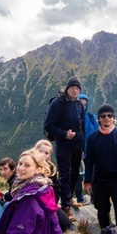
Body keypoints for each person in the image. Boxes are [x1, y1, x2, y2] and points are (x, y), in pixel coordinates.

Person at [84, 104, 117, 234]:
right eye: (103, 116)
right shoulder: (93, 138)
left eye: (110, 116)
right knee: (102, 212)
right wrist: (87, 182)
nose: (107, 118)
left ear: (113, 118)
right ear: (99, 119)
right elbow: (88, 161)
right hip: (99, 181)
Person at [43, 76, 85, 221]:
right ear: (67, 88)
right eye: (73, 87)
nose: (75, 90)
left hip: (77, 145)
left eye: (77, 88)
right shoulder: (58, 103)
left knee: (75, 174)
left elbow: (82, 126)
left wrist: (82, 144)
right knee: (65, 174)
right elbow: (48, 125)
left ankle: (69, 197)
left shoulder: (79, 105)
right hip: (63, 145)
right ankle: (65, 206)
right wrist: (64, 134)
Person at [34, 139, 73, 231]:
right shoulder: (29, 165)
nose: (43, 155)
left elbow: (56, 189)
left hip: (48, 203)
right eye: (40, 151)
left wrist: (52, 203)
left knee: (65, 223)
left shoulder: (52, 169)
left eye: (46, 153)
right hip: (33, 204)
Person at [73, 93, 99, 208]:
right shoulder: (74, 117)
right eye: (80, 104)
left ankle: (94, 197)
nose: (83, 106)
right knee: (78, 175)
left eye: (85, 104)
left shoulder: (91, 116)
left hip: (92, 151)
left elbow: (97, 133)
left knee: (93, 174)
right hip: (78, 151)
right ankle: (80, 197)